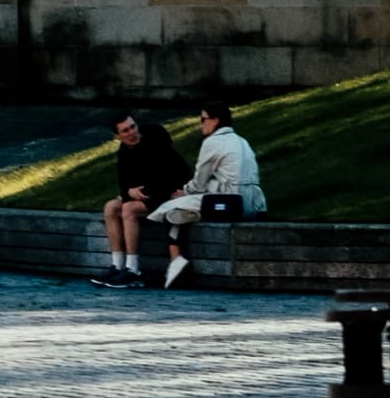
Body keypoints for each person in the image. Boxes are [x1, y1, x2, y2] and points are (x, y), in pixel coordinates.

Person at [148, 101, 268, 287]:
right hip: (255, 203)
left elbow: (199, 182)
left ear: (215, 120)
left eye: (203, 119)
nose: (201, 124)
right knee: (180, 211)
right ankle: (177, 264)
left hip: (230, 201)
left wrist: (184, 192)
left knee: (171, 209)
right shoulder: (242, 141)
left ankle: (177, 263)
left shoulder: (213, 142)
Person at [94, 111, 190, 287]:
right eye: (125, 131)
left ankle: (133, 270)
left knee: (129, 209)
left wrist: (138, 193)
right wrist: (130, 192)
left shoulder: (155, 144)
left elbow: (167, 179)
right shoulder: (124, 150)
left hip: (169, 194)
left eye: (133, 127)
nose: (132, 132)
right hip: (149, 196)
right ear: (117, 137)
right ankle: (117, 266)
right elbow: (123, 182)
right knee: (110, 207)